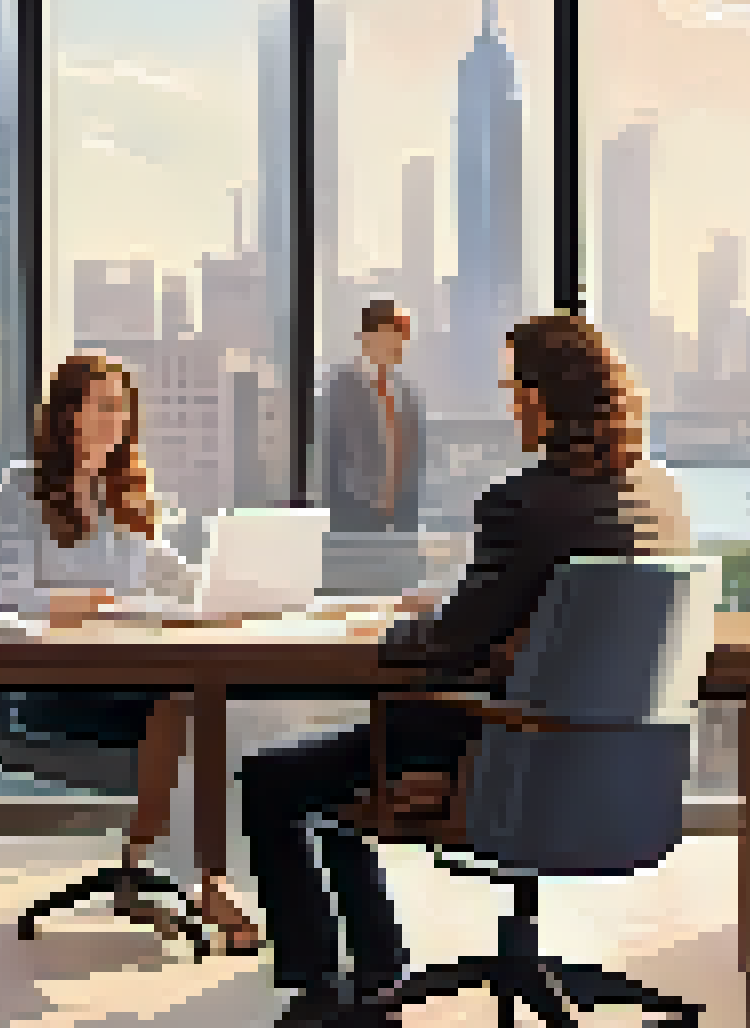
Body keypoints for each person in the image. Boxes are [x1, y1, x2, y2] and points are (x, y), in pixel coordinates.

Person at [239, 315, 693, 1025]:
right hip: (624, 772)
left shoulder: (521, 502)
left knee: (273, 782)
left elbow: (446, 645)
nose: (511, 406)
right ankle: (379, 963)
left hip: (504, 750)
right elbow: (570, 617)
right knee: (336, 781)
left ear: (545, 398)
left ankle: (321, 991)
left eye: (516, 390)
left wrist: (402, 625)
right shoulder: (660, 497)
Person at [0, 353, 263, 954]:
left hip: (133, 680)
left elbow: (171, 573)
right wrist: (93, 601)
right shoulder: (23, 487)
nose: (119, 420)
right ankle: (198, 882)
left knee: (209, 705)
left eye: (123, 408)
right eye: (106, 406)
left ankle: (169, 871)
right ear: (69, 417)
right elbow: (9, 591)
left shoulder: (123, 492)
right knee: (189, 708)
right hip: (58, 686)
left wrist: (239, 589)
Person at [321, 299, 425, 533]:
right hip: (351, 521)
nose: (401, 342)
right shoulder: (340, 389)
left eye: (404, 335)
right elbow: (330, 462)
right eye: (395, 333)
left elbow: (413, 463)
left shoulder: (405, 394)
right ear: (369, 336)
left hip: (402, 522)